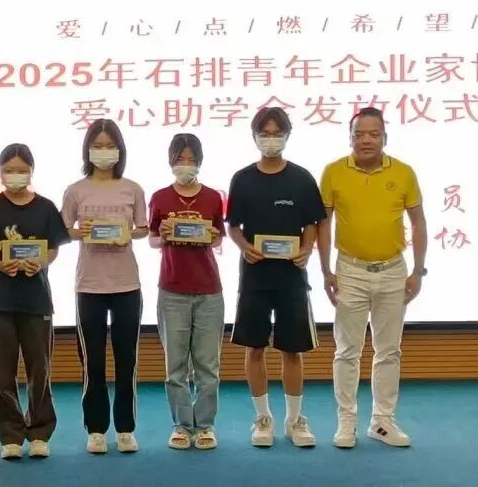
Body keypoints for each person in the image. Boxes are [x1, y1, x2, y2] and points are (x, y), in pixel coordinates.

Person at [318, 107, 427, 448]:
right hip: (349, 270)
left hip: (393, 271)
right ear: (350, 137)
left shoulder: (404, 172)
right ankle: (346, 422)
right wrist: (325, 270)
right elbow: (323, 224)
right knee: (347, 350)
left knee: (389, 350)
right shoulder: (333, 172)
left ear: (384, 137)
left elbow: (418, 222)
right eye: (359, 134)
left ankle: (382, 422)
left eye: (373, 134)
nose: (366, 140)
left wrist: (418, 269)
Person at [226, 107, 325, 448]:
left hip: (292, 276)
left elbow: (312, 222)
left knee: (292, 350)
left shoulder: (301, 178)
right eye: (264, 133)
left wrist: (307, 249)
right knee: (254, 347)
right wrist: (244, 247)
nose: (271, 139)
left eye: (276, 133)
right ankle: (262, 418)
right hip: (255, 277)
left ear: (287, 136)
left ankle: (295, 420)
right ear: (254, 137)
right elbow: (233, 226)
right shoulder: (242, 178)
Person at [0, 144, 70, 460]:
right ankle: (10, 435)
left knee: (39, 369)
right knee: (3, 372)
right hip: (0, 301)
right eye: (9, 170)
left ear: (31, 171)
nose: (15, 175)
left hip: (37, 301)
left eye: (21, 170)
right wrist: (1, 265)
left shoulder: (45, 207)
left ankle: (40, 432)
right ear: (0, 172)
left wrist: (40, 262)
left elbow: (53, 248)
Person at [61, 119, 149, 455]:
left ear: (120, 150)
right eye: (97, 146)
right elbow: (62, 230)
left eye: (110, 145)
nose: (104, 152)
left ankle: (125, 428)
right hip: (89, 285)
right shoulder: (75, 190)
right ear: (87, 151)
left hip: (127, 284)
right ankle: (96, 429)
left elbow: (143, 228)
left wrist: (129, 233)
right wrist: (80, 232)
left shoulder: (133, 188)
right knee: (92, 362)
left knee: (127, 360)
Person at [148, 133, 225, 451]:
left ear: (200, 161)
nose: (186, 164)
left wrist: (209, 235)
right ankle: (181, 425)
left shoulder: (212, 197)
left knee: (208, 366)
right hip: (172, 290)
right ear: (171, 161)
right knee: (175, 365)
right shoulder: (160, 197)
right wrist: (165, 236)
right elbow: (152, 238)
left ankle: (205, 426)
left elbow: (218, 238)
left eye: (192, 159)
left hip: (208, 290)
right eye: (180, 159)